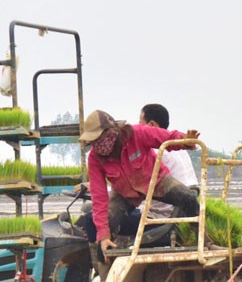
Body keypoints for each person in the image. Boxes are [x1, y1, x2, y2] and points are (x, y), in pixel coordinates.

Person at [79, 109, 199, 260]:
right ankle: (106, 276)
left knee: (188, 197)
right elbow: (99, 196)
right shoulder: (95, 158)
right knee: (104, 225)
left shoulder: (136, 134)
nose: (97, 145)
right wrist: (103, 236)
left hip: (156, 181)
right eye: (93, 142)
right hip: (124, 193)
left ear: (111, 132)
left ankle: (203, 241)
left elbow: (165, 137)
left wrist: (185, 140)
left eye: (99, 140)